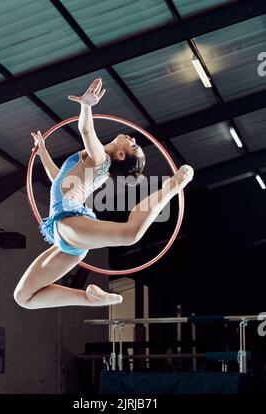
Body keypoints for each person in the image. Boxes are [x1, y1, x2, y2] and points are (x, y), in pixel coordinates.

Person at [14, 78, 194, 310]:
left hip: (70, 224)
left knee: (130, 234)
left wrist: (86, 106)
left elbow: (86, 129)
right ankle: (90, 299)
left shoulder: (101, 159)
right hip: (69, 240)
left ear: (120, 155)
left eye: (134, 146)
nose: (134, 139)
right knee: (24, 297)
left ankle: (174, 185)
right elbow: (58, 179)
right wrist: (43, 153)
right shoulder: (96, 169)